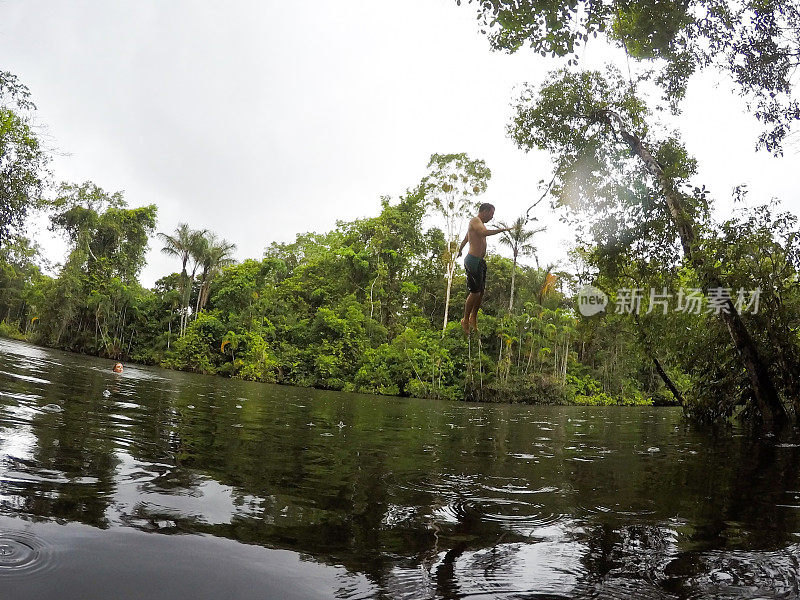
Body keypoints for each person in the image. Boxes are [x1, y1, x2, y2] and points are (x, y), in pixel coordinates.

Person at [456, 203, 512, 334]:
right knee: (475, 292)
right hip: (472, 261)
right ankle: (465, 319)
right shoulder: (475, 221)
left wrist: (460, 249)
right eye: (491, 214)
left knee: (481, 292)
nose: (492, 217)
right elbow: (483, 233)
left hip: (480, 261)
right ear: (485, 211)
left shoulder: (479, 223)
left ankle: (473, 317)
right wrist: (503, 230)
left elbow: (466, 238)